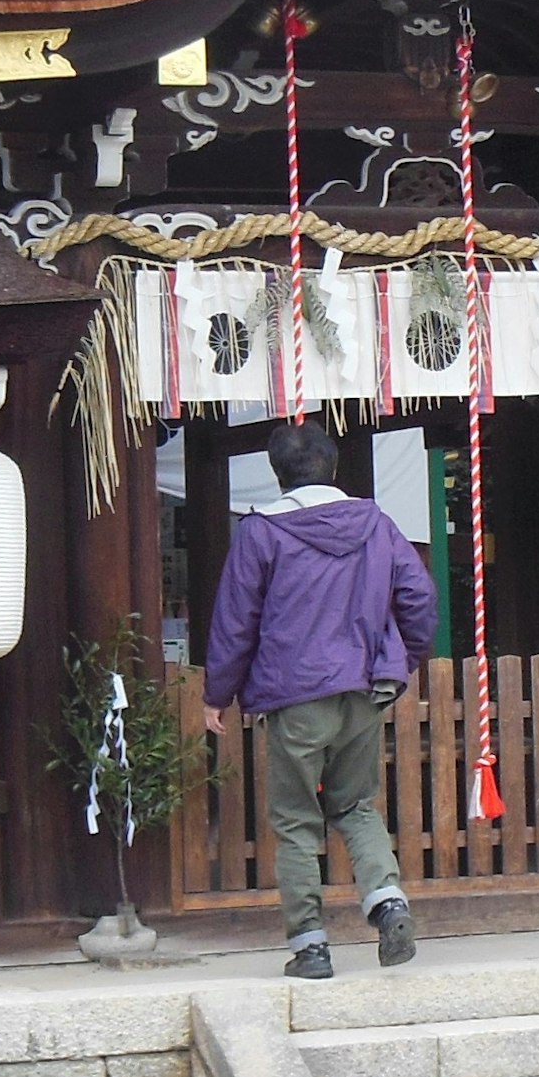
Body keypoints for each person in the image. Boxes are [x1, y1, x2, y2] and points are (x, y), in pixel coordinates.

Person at [202, 418, 437, 977]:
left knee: (295, 821)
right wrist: (403, 661)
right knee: (356, 806)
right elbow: (419, 598)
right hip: (361, 688)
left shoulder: (261, 533)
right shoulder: (375, 524)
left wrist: (218, 693)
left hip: (293, 693)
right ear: (333, 467)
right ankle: (388, 904)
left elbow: (237, 623)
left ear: (276, 472)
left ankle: (311, 947)